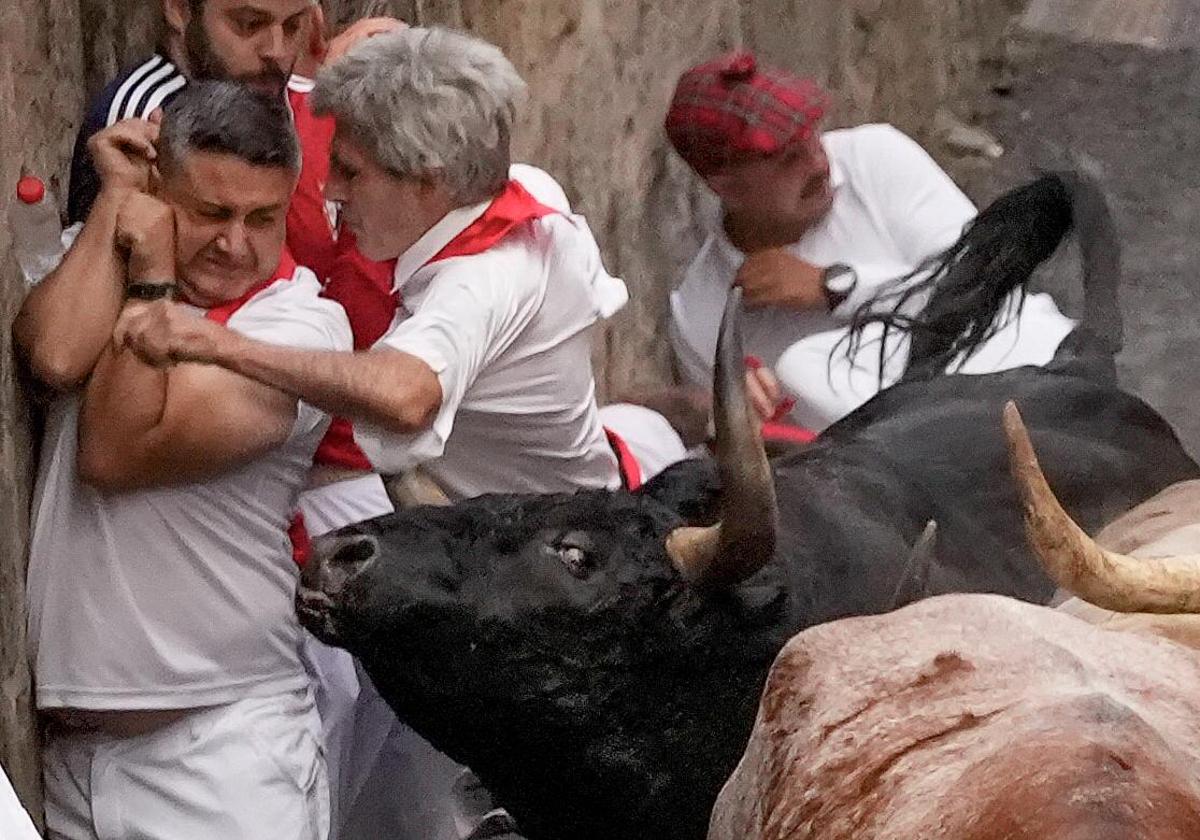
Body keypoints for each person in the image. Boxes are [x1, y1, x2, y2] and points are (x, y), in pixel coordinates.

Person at [113, 26, 630, 839]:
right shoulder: (508, 187)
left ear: (427, 182)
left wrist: (218, 343)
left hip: (533, 601)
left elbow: (405, 394)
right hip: (505, 557)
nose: (333, 194)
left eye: (348, 172)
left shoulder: (479, 281)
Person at [16, 82, 351, 840]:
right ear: (163, 189)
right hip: (70, 764)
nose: (236, 244)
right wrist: (115, 201)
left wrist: (155, 277)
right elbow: (54, 354)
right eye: (212, 213)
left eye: (262, 218)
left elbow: (117, 450)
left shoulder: (299, 331)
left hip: (222, 756)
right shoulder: (123, 248)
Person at [664, 51, 1076, 431]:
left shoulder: (874, 157)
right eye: (789, 158)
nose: (818, 163)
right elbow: (741, 460)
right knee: (803, 372)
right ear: (727, 187)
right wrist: (740, 417)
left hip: (1047, 371)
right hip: (936, 467)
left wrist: (837, 286)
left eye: (812, 138)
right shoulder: (702, 314)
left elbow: (987, 285)